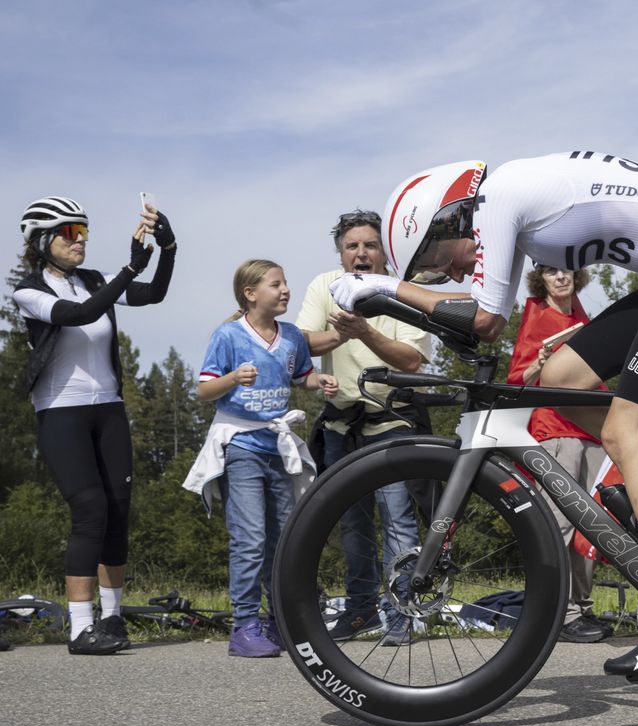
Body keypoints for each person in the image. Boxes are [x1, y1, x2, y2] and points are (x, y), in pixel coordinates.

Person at [329, 153, 638, 680]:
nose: (448, 274)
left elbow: (486, 318)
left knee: (628, 432)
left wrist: (385, 288)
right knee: (561, 378)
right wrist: (397, 299)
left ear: (446, 220)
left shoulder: (499, 198)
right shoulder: (512, 208)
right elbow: (484, 323)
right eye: (434, 274)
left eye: (436, 262)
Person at [14, 196, 177, 655]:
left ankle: (112, 618)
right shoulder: (28, 291)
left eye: (83, 232)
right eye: (70, 233)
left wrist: (168, 250)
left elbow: (155, 294)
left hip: (109, 408)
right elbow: (78, 315)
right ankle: (80, 628)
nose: (80, 241)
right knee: (89, 511)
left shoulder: (94, 280)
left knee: (118, 513)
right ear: (42, 241)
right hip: (61, 410)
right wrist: (129, 268)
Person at [297, 210, 433, 646]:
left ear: (383, 252)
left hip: (393, 421)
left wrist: (363, 331)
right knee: (352, 525)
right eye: (352, 246)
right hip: (341, 425)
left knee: (398, 521)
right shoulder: (324, 285)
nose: (360, 253)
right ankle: (359, 612)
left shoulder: (404, 292)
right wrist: (344, 334)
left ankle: (403, 615)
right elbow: (301, 343)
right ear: (341, 253)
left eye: (369, 245)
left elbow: (412, 360)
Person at [190, 259, 337, 657]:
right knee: (250, 538)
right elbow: (203, 392)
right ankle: (244, 626)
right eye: (276, 284)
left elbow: (299, 375)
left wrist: (317, 380)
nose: (285, 290)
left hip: (279, 448)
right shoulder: (228, 336)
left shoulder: (291, 336)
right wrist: (233, 378)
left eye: (286, 283)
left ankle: (279, 621)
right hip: (240, 446)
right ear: (250, 294)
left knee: (284, 538)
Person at [505, 264, 612, 643]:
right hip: (554, 429)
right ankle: (559, 614)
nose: (561, 277)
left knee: (592, 523)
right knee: (559, 523)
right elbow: (518, 379)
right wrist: (542, 360)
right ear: (541, 280)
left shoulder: (580, 312)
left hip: (591, 427)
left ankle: (581, 608)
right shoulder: (536, 314)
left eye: (566, 270)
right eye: (551, 272)